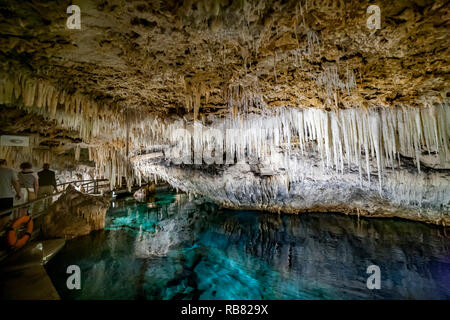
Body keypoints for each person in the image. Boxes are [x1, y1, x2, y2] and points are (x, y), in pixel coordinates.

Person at [0, 159, 21, 228]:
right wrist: (18, 193)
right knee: (6, 215)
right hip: (6, 196)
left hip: (5, 196)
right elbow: (16, 183)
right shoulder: (10, 171)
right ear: (5, 163)